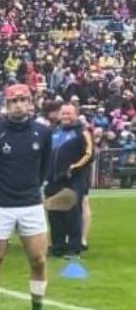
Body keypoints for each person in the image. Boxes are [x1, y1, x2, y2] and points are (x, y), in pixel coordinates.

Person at [0, 84, 55, 310]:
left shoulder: (43, 133)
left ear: (31, 102)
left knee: (38, 259)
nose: (19, 105)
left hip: (31, 204)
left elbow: (44, 167)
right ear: (6, 104)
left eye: (24, 100)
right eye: (14, 101)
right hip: (1, 205)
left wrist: (33, 189)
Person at [45, 102, 93, 259]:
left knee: (72, 214)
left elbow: (89, 154)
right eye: (63, 113)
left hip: (73, 180)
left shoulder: (82, 133)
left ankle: (74, 249)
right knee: (54, 214)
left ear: (76, 115)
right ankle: (57, 247)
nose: (65, 116)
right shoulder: (53, 132)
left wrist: (73, 169)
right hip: (53, 181)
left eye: (69, 113)